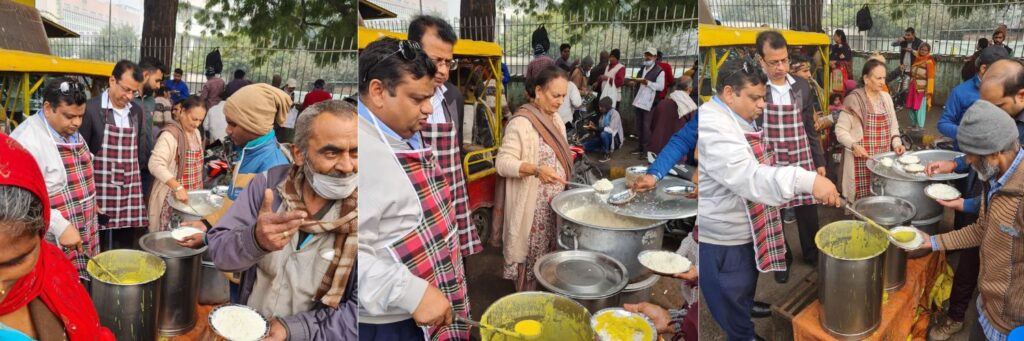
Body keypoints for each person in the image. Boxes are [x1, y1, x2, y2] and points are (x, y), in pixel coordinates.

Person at [698, 58, 841, 341]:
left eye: (763, 97)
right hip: (724, 241)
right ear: (729, 93)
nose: (762, 105)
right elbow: (750, 177)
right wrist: (808, 180)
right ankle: (744, 334)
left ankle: (744, 310)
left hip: (746, 225)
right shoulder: (713, 126)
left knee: (744, 289)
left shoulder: (737, 115)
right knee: (732, 302)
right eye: (755, 98)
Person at [197, 100, 357, 340]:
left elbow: (364, 310)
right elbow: (219, 252)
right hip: (251, 331)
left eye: (355, 152)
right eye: (331, 152)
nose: (347, 166)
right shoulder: (267, 185)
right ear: (298, 154)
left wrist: (294, 329)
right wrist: (254, 240)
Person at [357, 37, 468, 340]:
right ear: (378, 91)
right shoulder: (354, 152)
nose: (428, 109)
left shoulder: (403, 129)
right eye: (417, 99)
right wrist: (410, 293)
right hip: (389, 320)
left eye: (430, 98)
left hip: (430, 294)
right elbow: (346, 256)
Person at [924, 58, 1021, 340]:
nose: (966, 162)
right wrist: (929, 241)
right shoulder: (993, 180)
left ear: (994, 153)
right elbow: (983, 229)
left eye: (970, 156)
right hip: (986, 310)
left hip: (1012, 325)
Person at [0, 133, 115, 340]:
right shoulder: (30, 135)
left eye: (15, 262)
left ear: (39, 233)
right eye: (69, 116)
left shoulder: (55, 270)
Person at [754, 31, 826, 283]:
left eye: (784, 60)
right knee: (774, 210)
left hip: (800, 153)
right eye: (773, 62)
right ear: (761, 60)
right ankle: (781, 258)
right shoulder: (755, 88)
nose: (780, 67)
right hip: (770, 157)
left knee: (807, 208)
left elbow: (809, 126)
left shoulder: (802, 86)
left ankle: (812, 253)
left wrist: (819, 162)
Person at [409, 15, 480, 257]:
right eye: (434, 60)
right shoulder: (395, 99)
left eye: (448, 62)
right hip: (412, 207)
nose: (442, 71)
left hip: (448, 200)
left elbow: (456, 154)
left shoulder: (452, 97)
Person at [496, 65, 572, 292]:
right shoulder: (521, 123)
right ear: (539, 91)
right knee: (530, 258)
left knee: (550, 256)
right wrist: (536, 170)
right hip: (532, 212)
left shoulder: (556, 120)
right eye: (555, 95)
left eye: (564, 96)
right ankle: (526, 303)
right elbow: (502, 163)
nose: (560, 101)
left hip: (554, 208)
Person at [10, 78, 93, 279]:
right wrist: (60, 226)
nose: (77, 123)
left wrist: (91, 200)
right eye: (70, 116)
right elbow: (19, 202)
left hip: (83, 221)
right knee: (54, 281)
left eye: (81, 116)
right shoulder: (26, 141)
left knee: (79, 281)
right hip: (50, 234)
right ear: (48, 108)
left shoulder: (68, 130)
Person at [79, 60, 150, 251]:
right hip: (100, 189)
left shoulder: (136, 112)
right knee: (99, 245)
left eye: (133, 92)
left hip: (128, 191)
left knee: (125, 245)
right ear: (112, 81)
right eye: (126, 89)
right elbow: (81, 158)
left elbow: (139, 150)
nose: (129, 96)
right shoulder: (91, 109)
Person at [835, 59, 906, 201]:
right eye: (878, 78)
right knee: (860, 205)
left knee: (879, 200)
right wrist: (853, 145)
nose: (883, 82)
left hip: (881, 162)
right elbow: (840, 130)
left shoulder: (886, 98)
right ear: (866, 79)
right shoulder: (853, 100)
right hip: (860, 161)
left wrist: (897, 143)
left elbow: (893, 127)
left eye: (884, 78)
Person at [223, 84, 294, 201]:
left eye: (233, 124)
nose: (228, 130)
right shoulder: (248, 152)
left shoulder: (273, 170)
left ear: (255, 126)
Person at [147, 96, 207, 232]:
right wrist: (177, 188)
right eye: (194, 119)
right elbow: (155, 164)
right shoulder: (169, 135)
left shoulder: (196, 133)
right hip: (172, 199)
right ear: (182, 112)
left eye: (200, 120)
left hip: (192, 198)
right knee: (170, 239)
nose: (197, 124)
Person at [648, 77, 698, 156]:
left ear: (675, 87)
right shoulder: (690, 108)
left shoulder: (662, 103)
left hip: (656, 149)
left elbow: (652, 126)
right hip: (675, 153)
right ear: (690, 89)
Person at [631, 48, 666, 156]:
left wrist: (648, 82)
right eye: (646, 55)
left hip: (649, 102)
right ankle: (640, 147)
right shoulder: (642, 69)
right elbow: (638, 81)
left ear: (655, 57)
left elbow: (661, 87)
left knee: (646, 126)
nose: (647, 57)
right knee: (639, 125)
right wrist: (634, 82)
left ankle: (646, 151)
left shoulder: (660, 71)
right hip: (639, 100)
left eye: (650, 56)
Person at [582, 97, 623, 162]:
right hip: (603, 138)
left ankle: (606, 154)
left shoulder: (615, 114)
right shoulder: (603, 114)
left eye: (602, 107)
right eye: (599, 106)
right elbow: (601, 128)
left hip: (614, 140)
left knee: (603, 134)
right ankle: (597, 148)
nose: (600, 108)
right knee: (584, 146)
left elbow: (610, 130)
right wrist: (593, 127)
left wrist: (596, 128)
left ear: (607, 107)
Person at [905, 42, 935, 129]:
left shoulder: (929, 61)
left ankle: (920, 126)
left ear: (928, 51)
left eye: (925, 50)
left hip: (921, 89)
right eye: (922, 49)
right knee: (910, 105)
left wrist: (928, 90)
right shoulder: (917, 59)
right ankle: (914, 124)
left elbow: (931, 78)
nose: (923, 51)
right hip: (913, 86)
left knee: (919, 107)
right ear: (919, 49)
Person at [830, 29, 854, 95]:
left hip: (843, 74)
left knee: (842, 92)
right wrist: (831, 62)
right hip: (834, 73)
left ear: (839, 36)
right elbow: (831, 57)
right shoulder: (835, 47)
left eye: (835, 35)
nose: (833, 37)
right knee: (835, 92)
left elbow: (847, 61)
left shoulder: (846, 47)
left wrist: (835, 62)